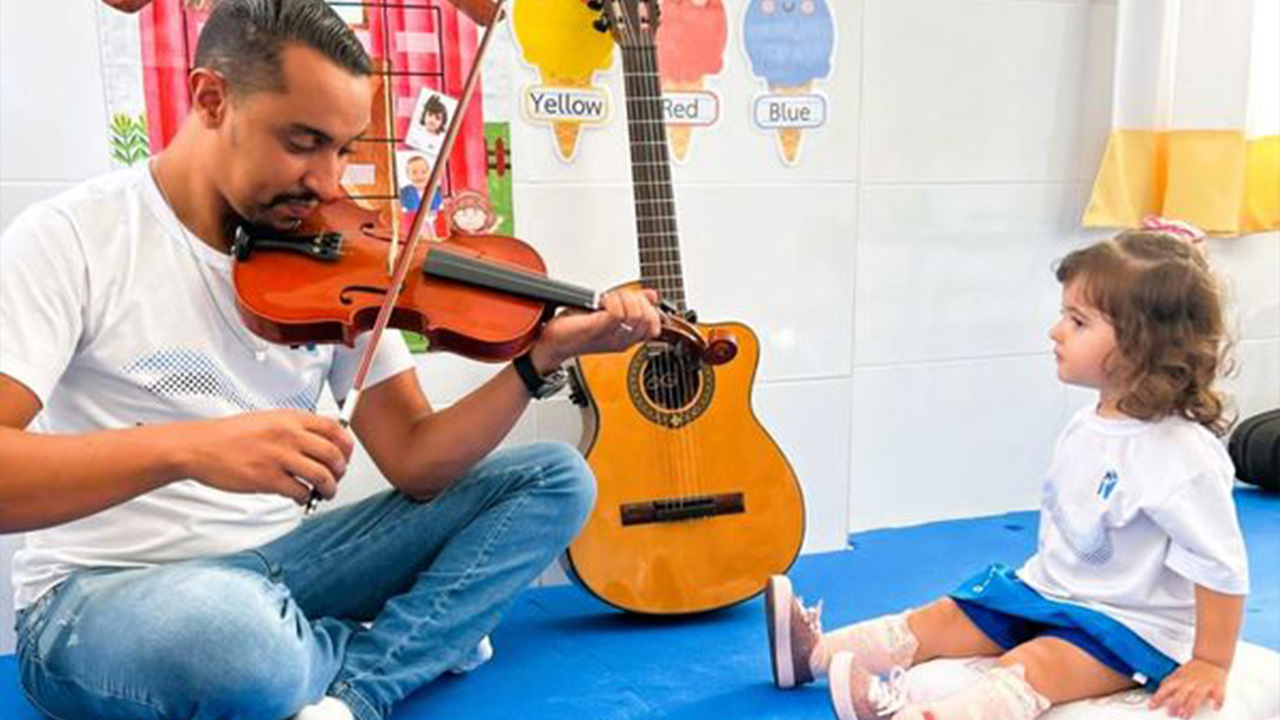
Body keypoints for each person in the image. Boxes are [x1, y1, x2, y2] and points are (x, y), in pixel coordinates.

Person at [0, 2, 663, 720]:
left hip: (286, 566)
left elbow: (417, 459)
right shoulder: (69, 237)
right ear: (210, 99)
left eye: (344, 149)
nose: (327, 182)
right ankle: (400, 647)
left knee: (557, 476)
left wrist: (536, 362)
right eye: (302, 142)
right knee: (234, 642)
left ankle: (348, 693)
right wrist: (189, 449)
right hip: (102, 599)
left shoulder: (336, 254)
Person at [766, 226, 1249, 720]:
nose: (1055, 331)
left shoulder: (1182, 456)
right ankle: (813, 654)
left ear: (1141, 345)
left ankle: (919, 715)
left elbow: (1220, 566)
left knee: (1032, 663)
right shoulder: (1087, 425)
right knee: (943, 617)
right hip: (1044, 592)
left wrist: (1211, 661)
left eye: (1078, 322)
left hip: (1128, 627)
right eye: (1064, 315)